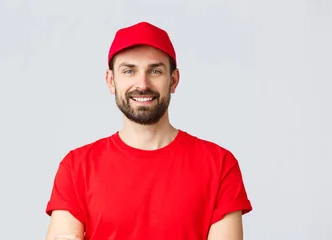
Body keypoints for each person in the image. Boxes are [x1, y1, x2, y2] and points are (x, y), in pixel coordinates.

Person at [44, 21, 253, 240]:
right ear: (111, 81)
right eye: (128, 71)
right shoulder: (77, 166)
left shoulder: (219, 164)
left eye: (155, 71)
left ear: (173, 80)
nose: (142, 84)